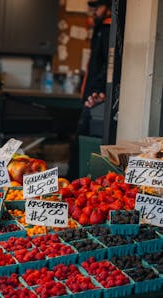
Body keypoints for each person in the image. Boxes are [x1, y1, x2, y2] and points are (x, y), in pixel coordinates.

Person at [69, 0, 111, 179]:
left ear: (108, 8)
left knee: (82, 140)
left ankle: (78, 180)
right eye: (92, 8)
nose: (93, 11)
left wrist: (98, 91)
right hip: (90, 94)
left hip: (96, 98)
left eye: (97, 7)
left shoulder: (108, 30)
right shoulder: (100, 28)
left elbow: (106, 66)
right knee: (78, 140)